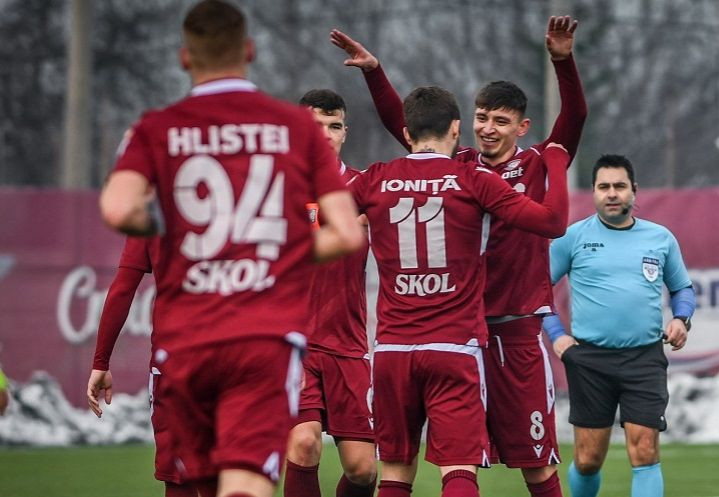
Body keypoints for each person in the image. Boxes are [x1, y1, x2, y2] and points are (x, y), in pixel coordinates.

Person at [98, 1, 365, 496]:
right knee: (246, 483)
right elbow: (347, 234)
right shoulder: (292, 129)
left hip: (188, 341)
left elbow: (117, 209)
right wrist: (269, 247)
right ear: (249, 51)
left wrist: (188, 231)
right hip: (261, 340)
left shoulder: (155, 129)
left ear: (184, 58)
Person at [330, 16, 586, 497]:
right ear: (463, 124)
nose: (488, 129)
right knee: (439, 464)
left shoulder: (536, 163)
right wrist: (375, 74)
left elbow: (574, 119)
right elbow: (405, 128)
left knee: (535, 464)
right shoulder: (462, 168)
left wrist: (562, 61)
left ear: (522, 126)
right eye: (482, 117)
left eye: (501, 121)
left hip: (510, 331)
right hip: (457, 330)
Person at [545, 155, 696, 497]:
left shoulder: (660, 238)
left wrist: (681, 318)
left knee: (644, 451)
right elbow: (536, 292)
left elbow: (682, 288)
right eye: (604, 187)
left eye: (619, 186)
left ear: (634, 191)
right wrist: (557, 336)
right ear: (594, 192)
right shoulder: (572, 237)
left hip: (644, 359)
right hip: (589, 360)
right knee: (587, 459)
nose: (612, 194)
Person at [284, 89, 377, 497]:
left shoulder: (365, 187)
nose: (325, 134)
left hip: (348, 344)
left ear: (345, 132)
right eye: (314, 125)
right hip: (293, 343)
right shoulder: (277, 188)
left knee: (364, 471)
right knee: (304, 445)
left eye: (334, 125)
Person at [86, 236, 197, 497]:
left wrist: (100, 362)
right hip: (228, 356)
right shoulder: (243, 198)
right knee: (235, 470)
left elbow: (123, 288)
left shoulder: (151, 205)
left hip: (178, 359)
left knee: (181, 475)